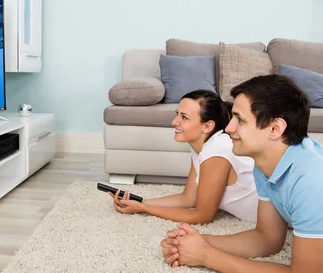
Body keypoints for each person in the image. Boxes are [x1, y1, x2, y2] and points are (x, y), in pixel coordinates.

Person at [160, 75, 323, 273]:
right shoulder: (267, 165)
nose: (228, 128)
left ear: (275, 129)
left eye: (239, 119)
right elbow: (266, 239)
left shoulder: (317, 181)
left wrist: (207, 256)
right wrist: (198, 241)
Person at [111, 90, 259, 224]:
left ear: (207, 126)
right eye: (177, 114)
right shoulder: (200, 146)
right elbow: (188, 198)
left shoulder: (217, 149)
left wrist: (144, 209)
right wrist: (141, 202)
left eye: (184, 117)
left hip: (266, 216)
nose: (174, 122)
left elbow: (203, 216)